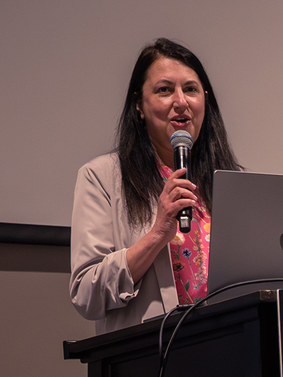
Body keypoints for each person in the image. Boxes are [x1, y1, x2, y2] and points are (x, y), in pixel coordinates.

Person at [70, 38, 243, 334]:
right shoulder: (102, 177)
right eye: (164, 90)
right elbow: (87, 294)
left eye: (190, 89)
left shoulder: (232, 183)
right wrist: (157, 234)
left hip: (229, 346)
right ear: (139, 105)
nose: (181, 102)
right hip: (152, 358)